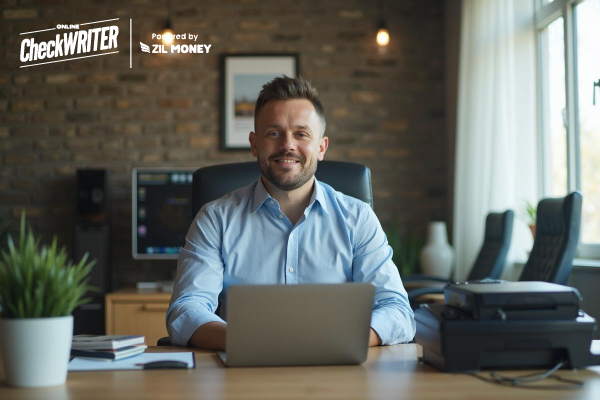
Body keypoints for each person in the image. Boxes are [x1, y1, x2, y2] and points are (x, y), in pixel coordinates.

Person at [166, 76, 415, 350]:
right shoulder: (215, 219)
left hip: (338, 375)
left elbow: (397, 310)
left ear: (321, 147)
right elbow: (186, 310)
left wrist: (344, 340)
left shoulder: (358, 219)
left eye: (301, 134)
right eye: (274, 133)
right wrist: (249, 342)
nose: (288, 145)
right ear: (254, 144)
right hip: (244, 375)